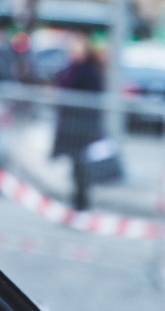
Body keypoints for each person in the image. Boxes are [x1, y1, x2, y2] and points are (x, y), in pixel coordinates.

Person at [51, 30, 104, 210]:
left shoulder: (87, 70)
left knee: (81, 162)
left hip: (82, 124)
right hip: (71, 123)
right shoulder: (73, 66)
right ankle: (78, 197)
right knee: (76, 162)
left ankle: (81, 198)